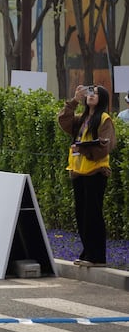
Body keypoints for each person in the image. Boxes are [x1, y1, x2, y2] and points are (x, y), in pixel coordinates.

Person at [57, 84, 116, 268]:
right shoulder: (81, 119)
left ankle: (97, 256)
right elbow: (63, 121)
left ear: (103, 99)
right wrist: (74, 100)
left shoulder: (104, 119)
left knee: (93, 214)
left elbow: (105, 147)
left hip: (96, 173)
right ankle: (87, 252)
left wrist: (82, 149)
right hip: (78, 173)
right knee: (81, 214)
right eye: (90, 93)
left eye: (96, 94)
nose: (91, 96)